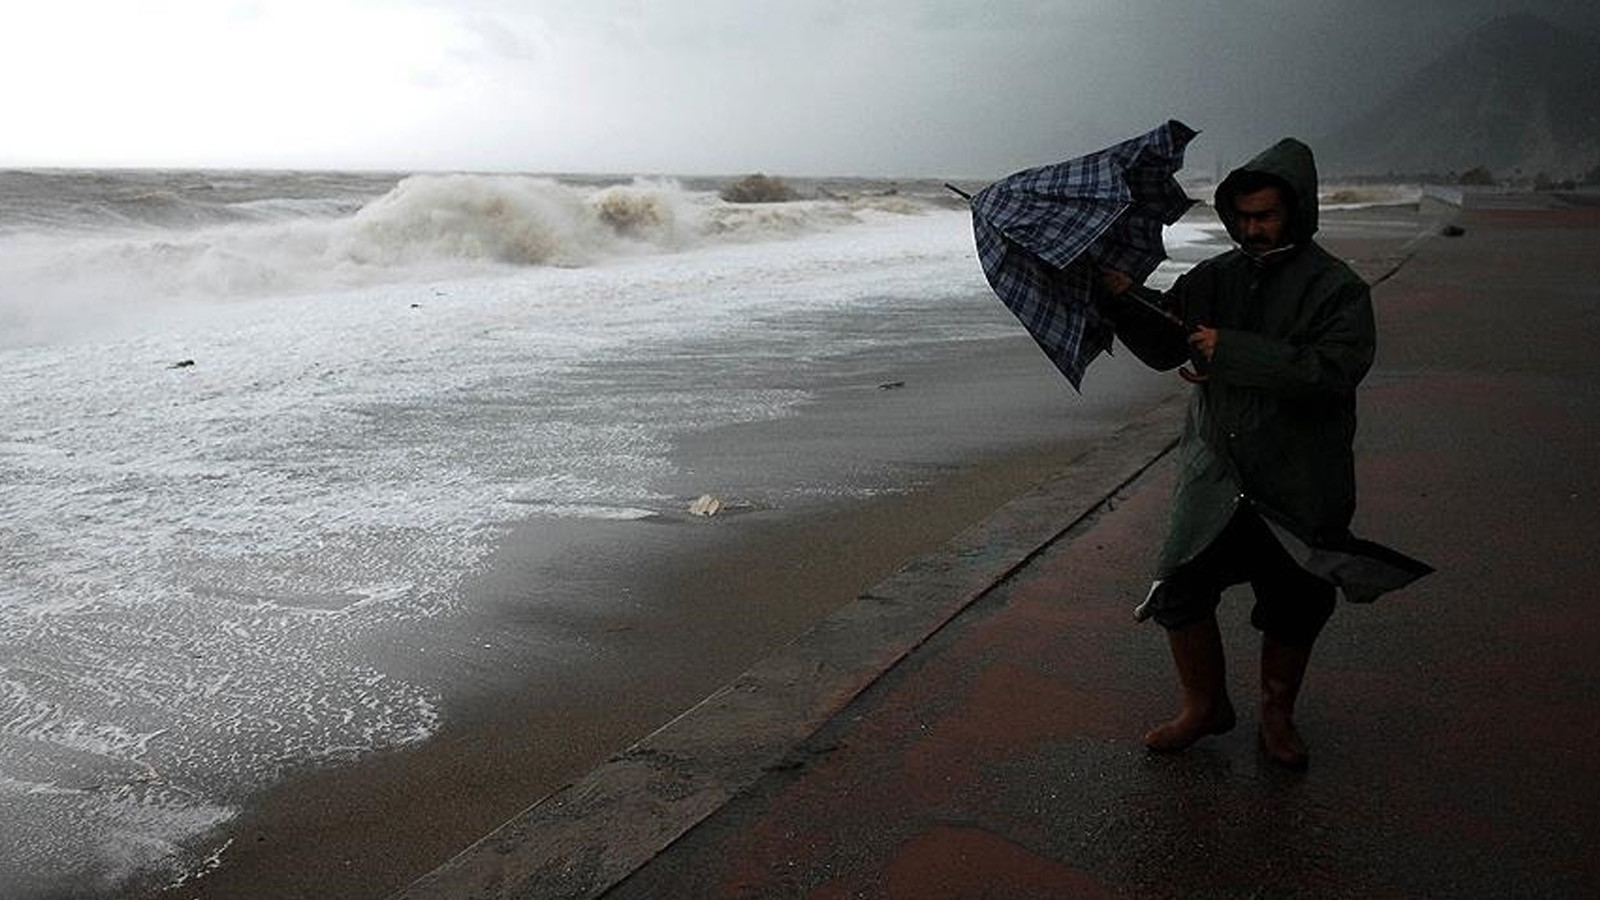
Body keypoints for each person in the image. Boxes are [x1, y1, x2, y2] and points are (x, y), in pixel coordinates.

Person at [1097, 137, 1426, 769]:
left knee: (1296, 602)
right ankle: (1204, 706)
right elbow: (1168, 343)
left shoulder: (1337, 289)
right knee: (1179, 589)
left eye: (1266, 215)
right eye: (1243, 217)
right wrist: (1121, 298)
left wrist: (1234, 352)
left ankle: (1277, 714)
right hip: (1217, 474)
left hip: (1298, 476)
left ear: (1297, 209)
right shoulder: (1214, 277)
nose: (1252, 229)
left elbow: (1333, 370)